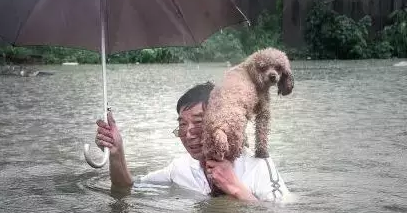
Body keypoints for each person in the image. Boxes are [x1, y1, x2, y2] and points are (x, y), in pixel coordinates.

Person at [95, 81, 290, 203]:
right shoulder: (180, 168)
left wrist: (235, 187)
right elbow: (126, 187)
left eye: (198, 123)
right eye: (182, 125)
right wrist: (117, 153)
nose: (188, 134)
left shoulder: (259, 165)